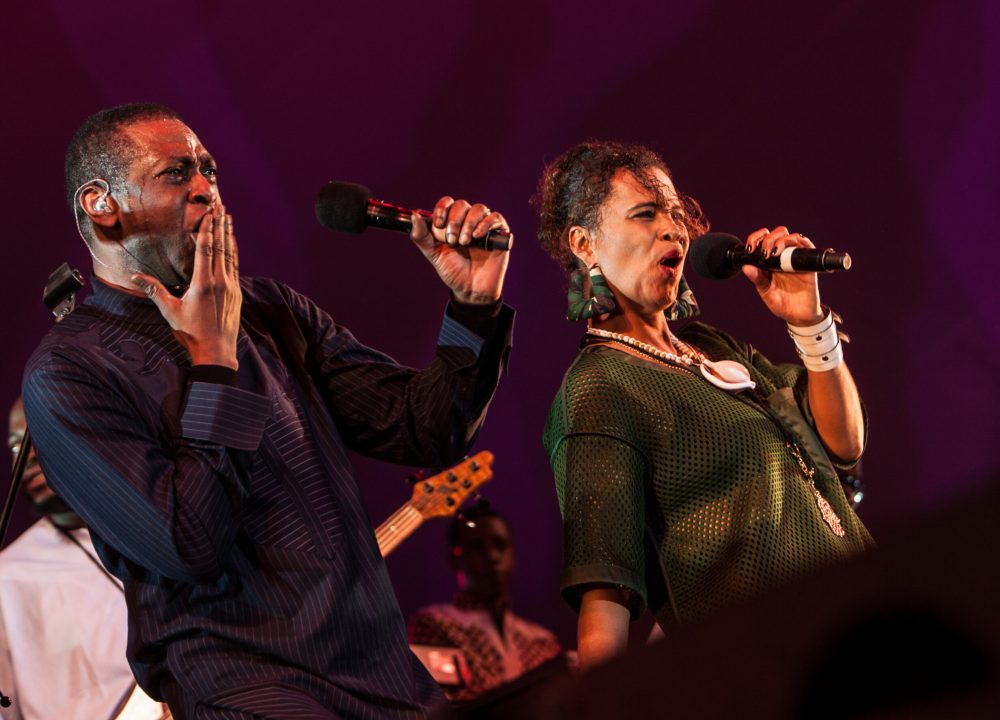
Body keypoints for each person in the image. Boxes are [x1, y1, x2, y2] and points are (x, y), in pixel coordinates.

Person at [21, 103, 514, 719]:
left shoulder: (271, 310)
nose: (206, 188)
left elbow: (425, 429)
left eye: (210, 170)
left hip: (386, 679)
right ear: (102, 205)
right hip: (251, 694)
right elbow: (189, 541)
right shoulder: (70, 372)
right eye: (177, 174)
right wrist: (213, 361)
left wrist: (473, 308)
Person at [535, 141, 873, 670]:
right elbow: (607, 586)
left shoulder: (715, 348)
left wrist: (808, 321)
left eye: (675, 214)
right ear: (585, 243)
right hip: (774, 662)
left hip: (859, 618)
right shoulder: (602, 386)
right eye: (645, 215)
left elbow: (843, 443)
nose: (672, 229)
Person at [0, 399, 168, 720]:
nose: (26, 457)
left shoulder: (155, 524)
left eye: (35, 438)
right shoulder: (7, 577)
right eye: (15, 447)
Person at [407, 502, 563, 702]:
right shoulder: (434, 624)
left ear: (513, 554)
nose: (492, 556)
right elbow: (438, 706)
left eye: (500, 545)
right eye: (477, 547)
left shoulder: (543, 641)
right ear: (454, 560)